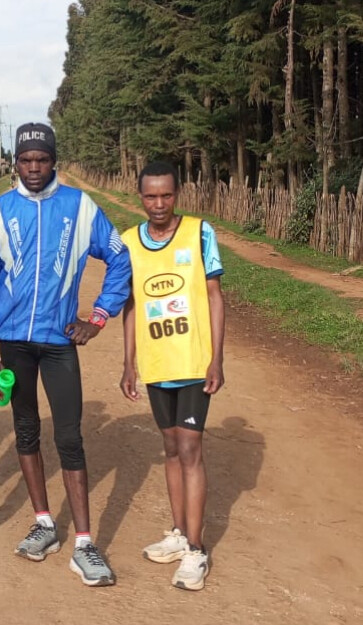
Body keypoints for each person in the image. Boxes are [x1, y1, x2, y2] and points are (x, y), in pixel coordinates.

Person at [0, 122, 130, 587]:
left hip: (60, 341)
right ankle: (44, 523)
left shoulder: (80, 207)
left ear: (53, 161)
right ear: (15, 163)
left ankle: (84, 543)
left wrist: (98, 317)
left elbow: (119, 257)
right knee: (25, 429)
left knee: (69, 437)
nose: (34, 167)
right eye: (26, 160)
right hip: (13, 342)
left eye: (42, 159)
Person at [119, 160, 225, 592]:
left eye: (166, 195)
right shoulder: (129, 243)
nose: (159, 204)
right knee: (169, 447)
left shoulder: (199, 233)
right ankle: (179, 533)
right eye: (151, 196)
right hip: (157, 363)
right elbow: (130, 305)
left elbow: (215, 297)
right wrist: (129, 362)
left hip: (194, 361)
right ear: (140, 196)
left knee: (190, 448)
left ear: (177, 194)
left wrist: (217, 359)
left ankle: (196, 550)